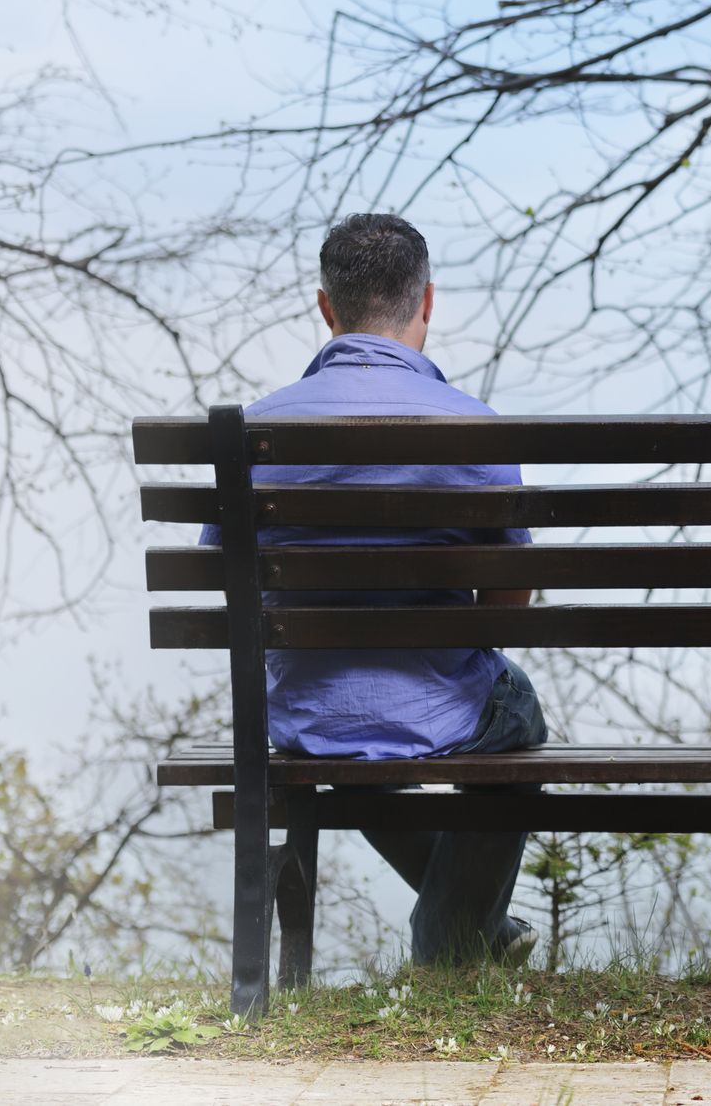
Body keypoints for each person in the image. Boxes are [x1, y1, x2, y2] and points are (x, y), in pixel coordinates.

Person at [200, 212, 545, 968]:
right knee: (513, 712)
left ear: (326, 308)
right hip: (438, 706)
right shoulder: (476, 429)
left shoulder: (255, 430)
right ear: (428, 302)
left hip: (303, 713)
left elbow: (229, 587)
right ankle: (451, 942)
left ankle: (468, 931)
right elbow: (508, 598)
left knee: (358, 724)